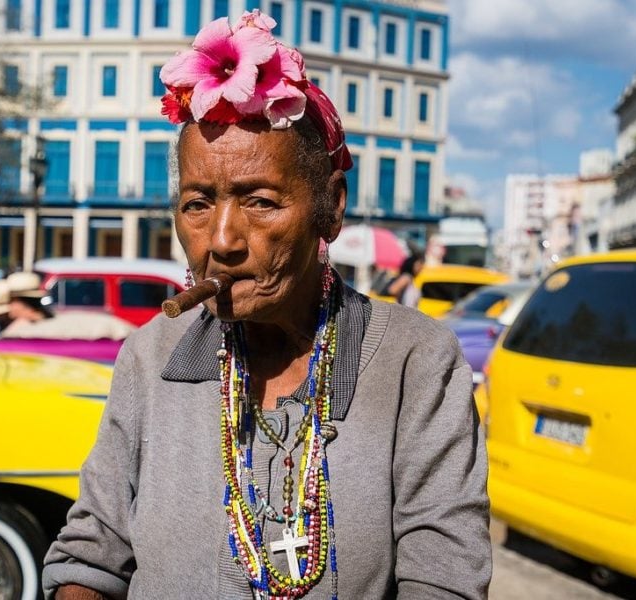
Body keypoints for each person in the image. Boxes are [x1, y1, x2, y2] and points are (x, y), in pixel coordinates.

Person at [44, 11, 490, 600]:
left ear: (330, 208)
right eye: (197, 204)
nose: (222, 240)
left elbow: (444, 579)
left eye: (259, 201)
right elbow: (90, 555)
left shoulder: (414, 361)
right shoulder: (151, 356)